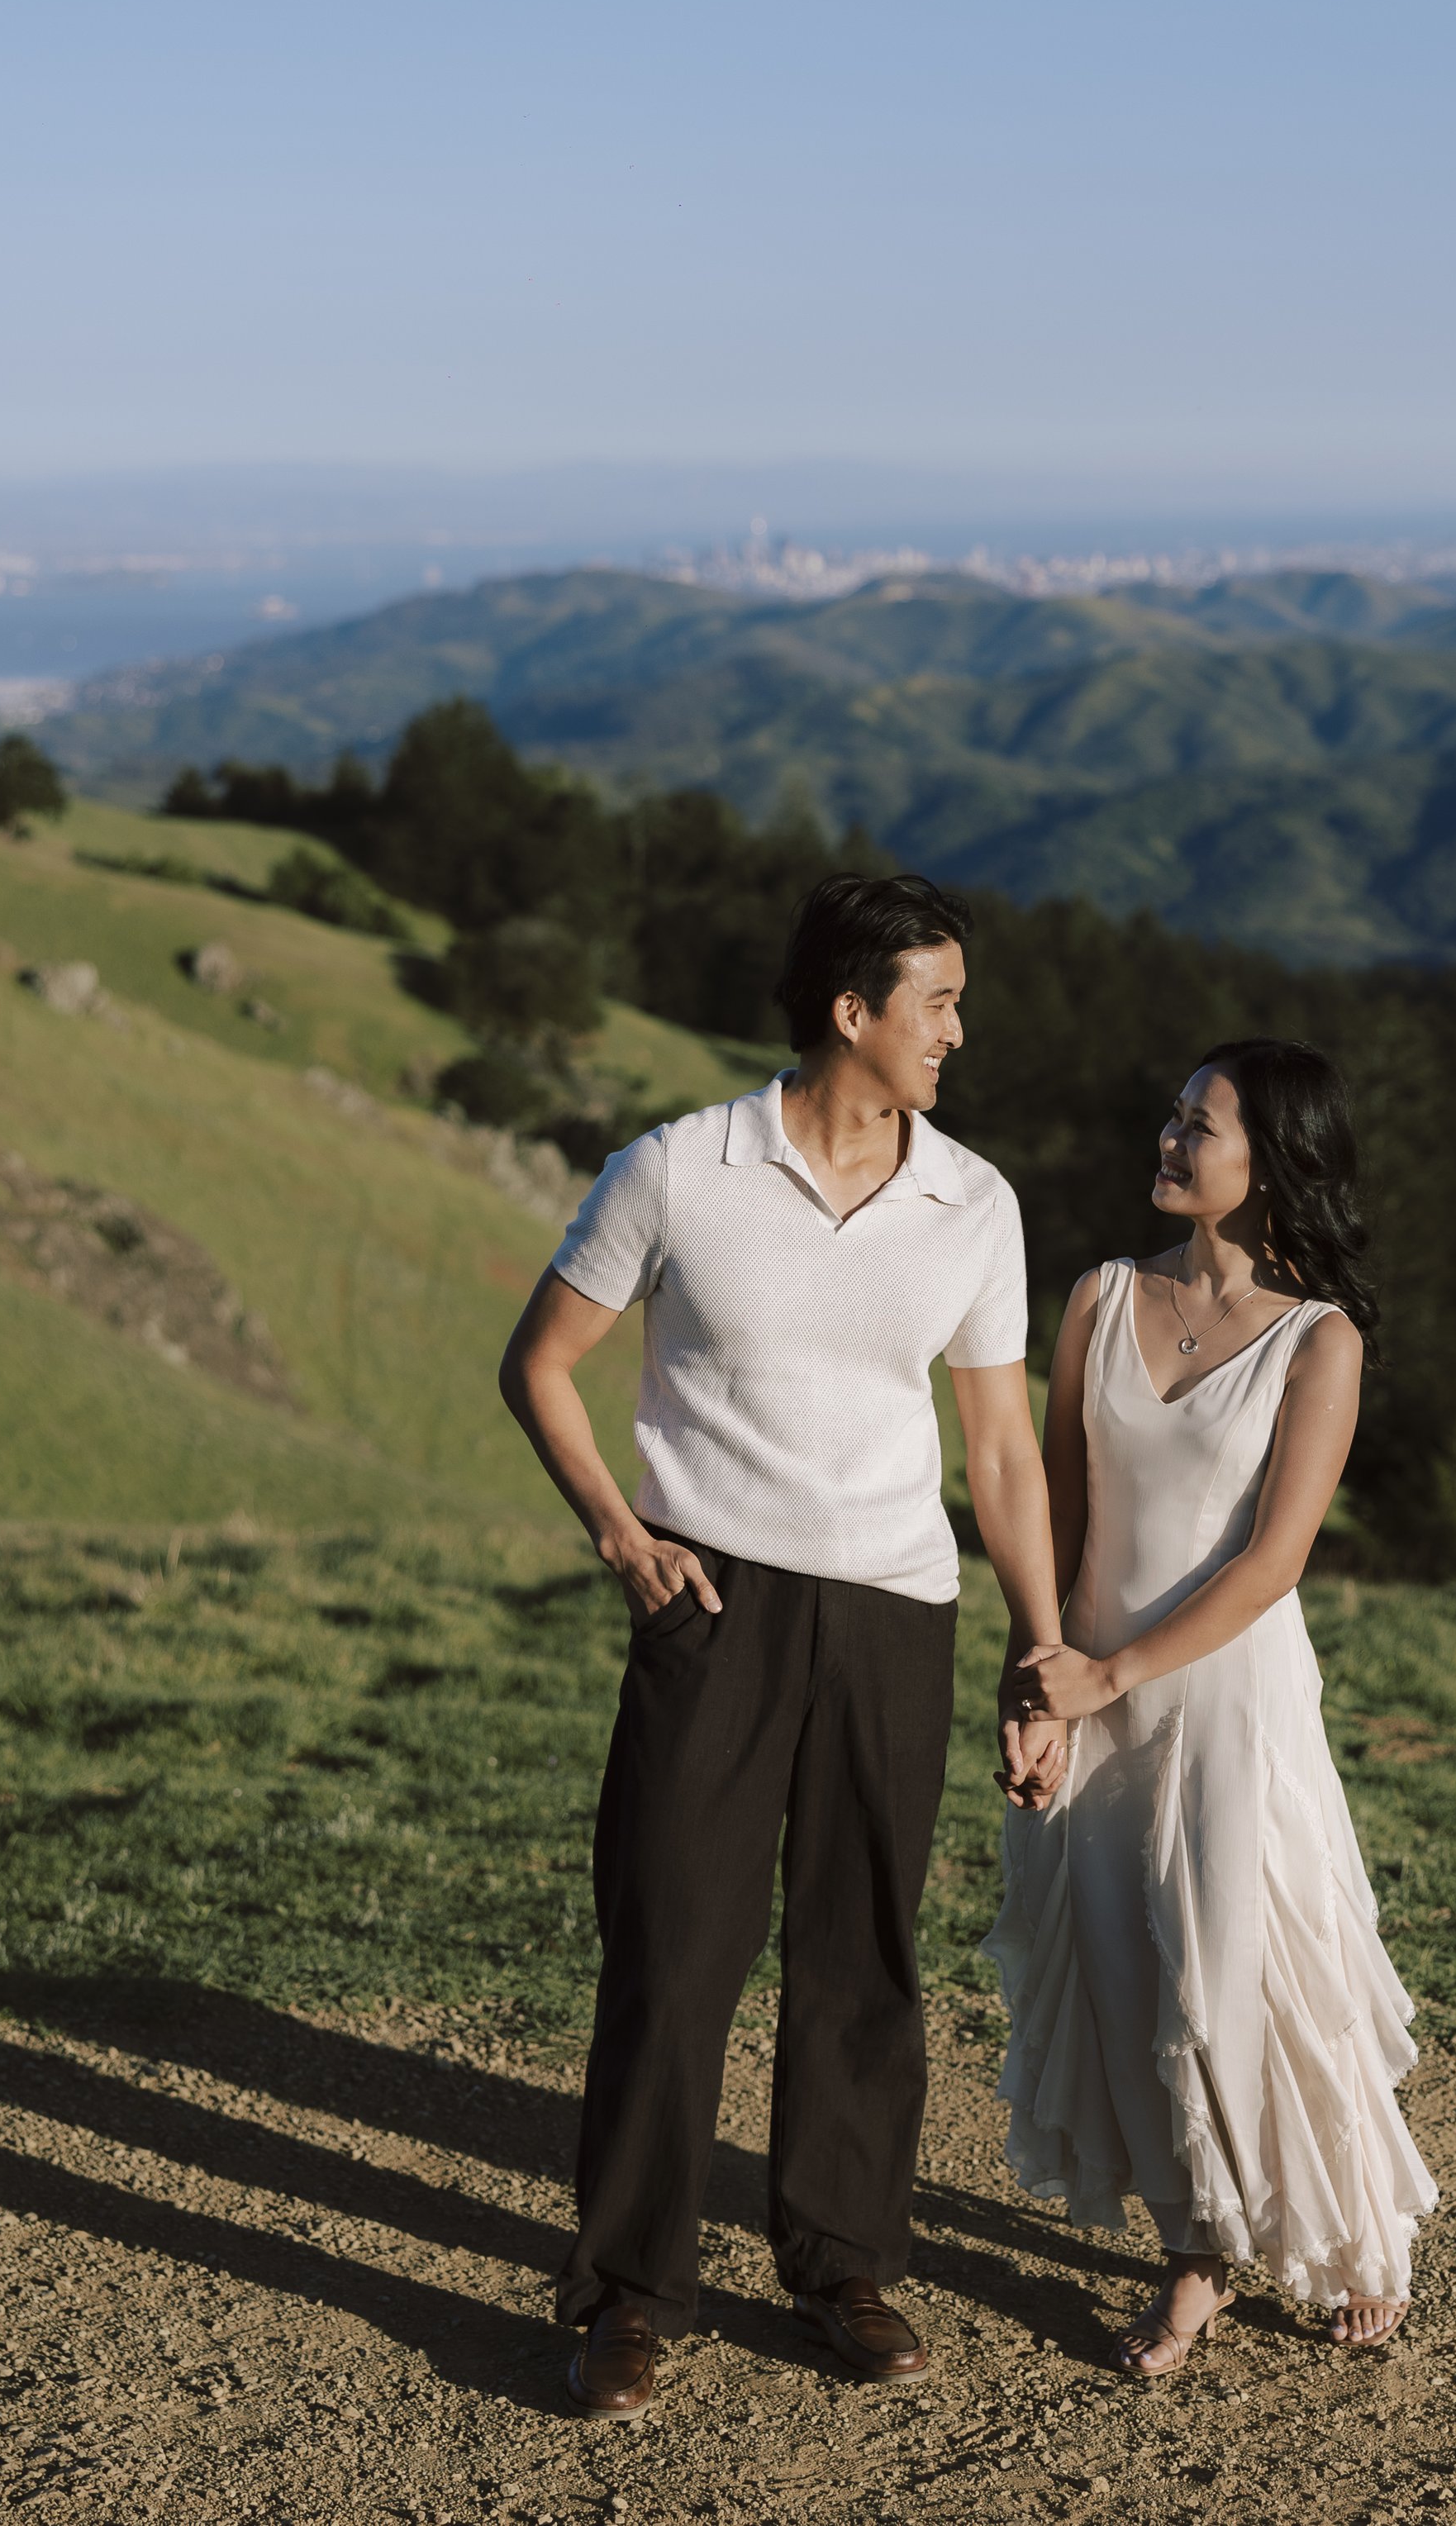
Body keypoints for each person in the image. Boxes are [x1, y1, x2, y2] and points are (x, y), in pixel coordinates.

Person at [499, 873, 1067, 2420]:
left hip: (895, 1606)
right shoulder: (678, 1170)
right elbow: (540, 1360)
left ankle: (843, 2265)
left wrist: (1045, 1641)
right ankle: (625, 2293)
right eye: (938, 1000)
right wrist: (624, 1535)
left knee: (860, 1952)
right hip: (714, 1607)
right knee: (676, 1946)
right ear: (852, 1010)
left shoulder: (978, 1202)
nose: (961, 1027)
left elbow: (1001, 1454)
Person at [986, 1038, 1436, 2375]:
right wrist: (1042, 1675)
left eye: (1204, 1125)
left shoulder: (1320, 1341)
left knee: (1245, 1962)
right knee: (1132, 1971)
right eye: (1174, 1114)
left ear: (1275, 1162)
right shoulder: (1099, 1296)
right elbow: (1054, 1503)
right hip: (1092, 1681)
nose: (1171, 1138)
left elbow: (1274, 1559)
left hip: (1228, 1693)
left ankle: (1355, 2228)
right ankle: (1198, 2251)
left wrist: (1112, 1672)